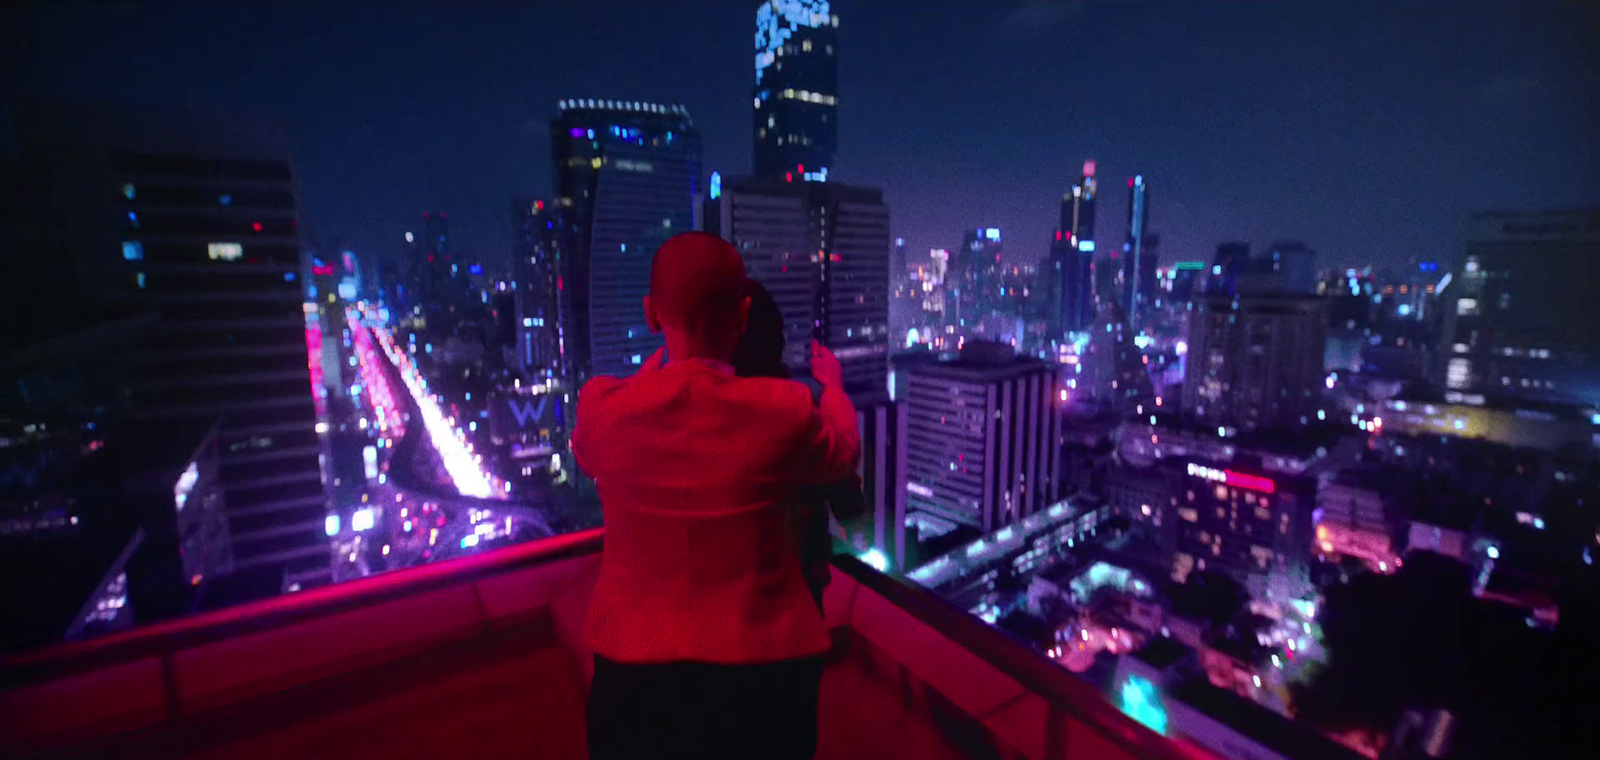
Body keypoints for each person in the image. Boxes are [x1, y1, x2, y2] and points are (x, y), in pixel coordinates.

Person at [573, 231, 861, 760]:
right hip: (762, 675)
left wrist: (652, 374)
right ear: (743, 314)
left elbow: (588, 454)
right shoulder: (784, 411)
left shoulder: (603, 411)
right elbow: (842, 454)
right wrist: (835, 388)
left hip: (631, 673)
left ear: (651, 314)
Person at [730, 278, 867, 612]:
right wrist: (833, 389)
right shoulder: (793, 415)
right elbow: (849, 500)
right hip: (793, 604)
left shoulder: (697, 411)